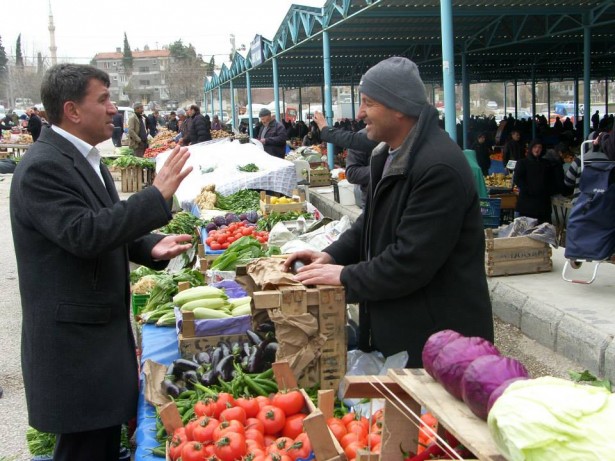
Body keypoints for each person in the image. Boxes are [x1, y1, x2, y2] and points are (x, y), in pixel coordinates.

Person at [9, 63, 193, 461]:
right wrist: (154, 196)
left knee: (98, 445)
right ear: (73, 110)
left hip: (94, 340)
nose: (114, 109)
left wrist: (147, 247)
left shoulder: (84, 158)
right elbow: (82, 234)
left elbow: (101, 224)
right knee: (84, 448)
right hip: (75, 349)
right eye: (104, 99)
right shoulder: (43, 166)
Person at [283, 57, 493, 367]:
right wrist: (331, 255)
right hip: (407, 333)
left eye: (368, 103)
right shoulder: (390, 155)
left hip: (438, 345)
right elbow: (370, 222)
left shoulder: (437, 167)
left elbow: (409, 262)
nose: (359, 113)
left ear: (399, 107)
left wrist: (343, 276)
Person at [312, 111, 379, 207]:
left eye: (368, 103)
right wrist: (385, 169)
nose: (360, 113)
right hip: (373, 201)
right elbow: (352, 173)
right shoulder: (365, 136)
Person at [513, 139, 558, 223]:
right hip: (527, 205)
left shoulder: (547, 164)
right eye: (535, 147)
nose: (537, 150)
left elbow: (552, 180)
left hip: (543, 205)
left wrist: (548, 191)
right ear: (530, 148)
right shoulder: (522, 163)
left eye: (539, 147)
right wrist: (529, 190)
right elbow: (517, 179)